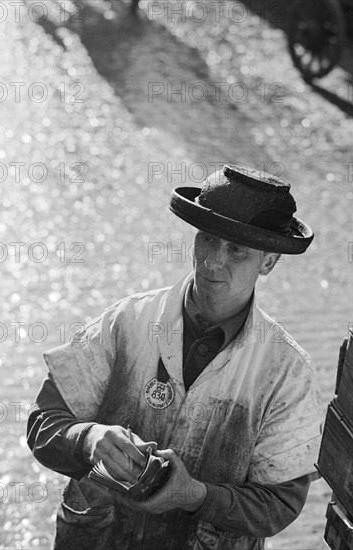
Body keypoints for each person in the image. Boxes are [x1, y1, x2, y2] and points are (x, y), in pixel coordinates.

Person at [27, 164, 324, 550]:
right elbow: (42, 423)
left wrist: (196, 496)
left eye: (236, 250)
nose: (213, 261)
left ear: (268, 262)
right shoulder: (128, 321)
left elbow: (279, 505)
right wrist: (88, 438)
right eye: (207, 239)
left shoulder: (287, 371)